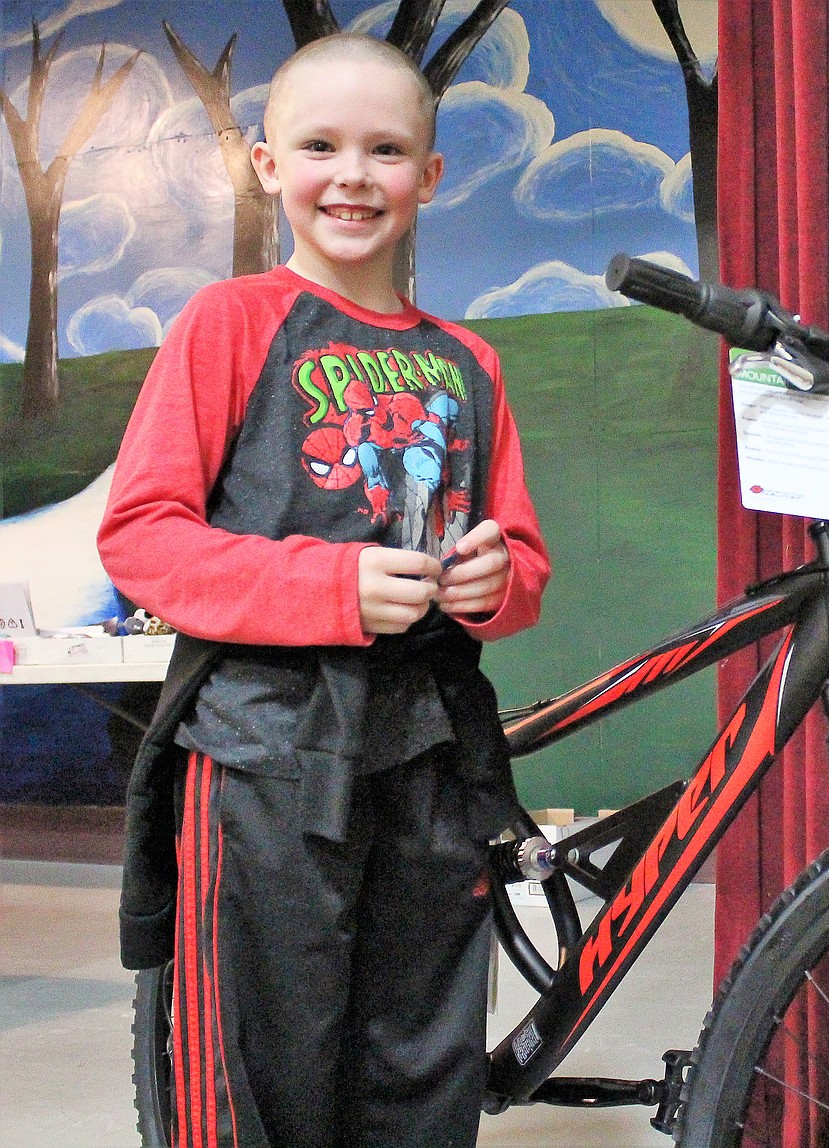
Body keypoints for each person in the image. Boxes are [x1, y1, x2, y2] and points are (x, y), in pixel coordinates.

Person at [98, 33, 549, 1148]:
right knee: (261, 1070)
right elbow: (143, 537)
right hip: (263, 759)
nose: (352, 174)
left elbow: (524, 562)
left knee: (420, 1068)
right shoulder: (229, 323)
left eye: (386, 149)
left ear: (429, 177)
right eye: (321, 145)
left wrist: (495, 582)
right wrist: (333, 585)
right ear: (265, 164)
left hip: (431, 766)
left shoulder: (469, 362)